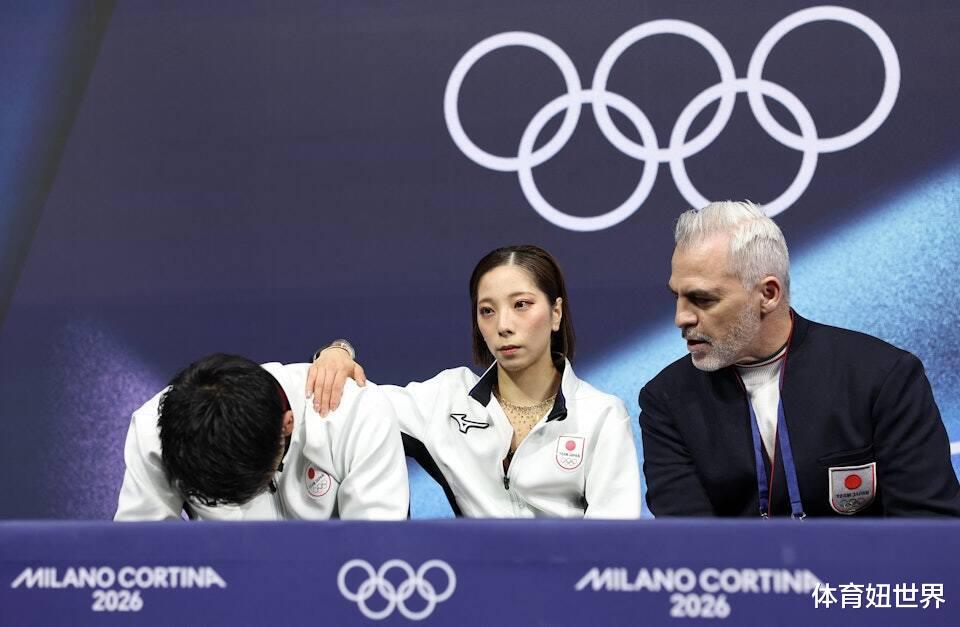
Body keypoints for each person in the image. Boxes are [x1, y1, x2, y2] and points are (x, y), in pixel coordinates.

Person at [638, 200, 960, 517]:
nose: (681, 318)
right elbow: (687, 540)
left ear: (768, 294)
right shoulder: (666, 399)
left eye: (702, 299)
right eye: (677, 296)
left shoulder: (883, 377)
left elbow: (927, 526)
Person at [310, 245, 641, 518]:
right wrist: (338, 352)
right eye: (487, 311)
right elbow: (357, 401)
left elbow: (616, 542)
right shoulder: (446, 399)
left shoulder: (601, 415)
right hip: (474, 575)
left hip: (571, 575)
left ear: (556, 313)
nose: (504, 325)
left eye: (521, 305)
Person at [115, 353, 408, 520]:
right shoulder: (155, 432)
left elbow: (377, 554)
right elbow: (141, 559)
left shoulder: (356, 412)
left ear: (287, 425)